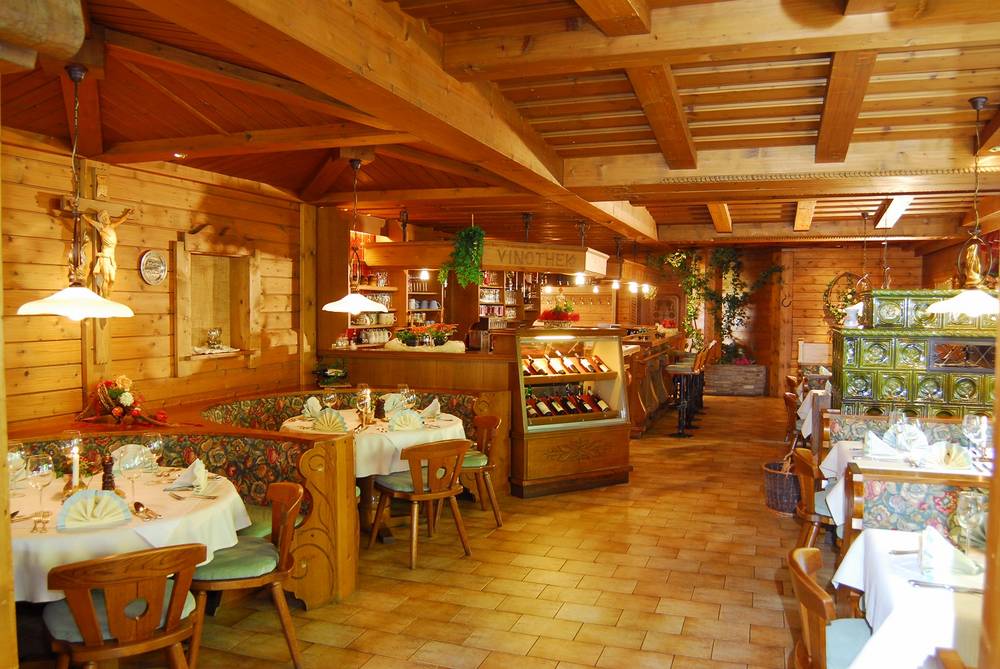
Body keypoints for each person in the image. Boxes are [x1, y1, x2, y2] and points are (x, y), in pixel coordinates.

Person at [82, 208, 133, 295]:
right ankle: (104, 296)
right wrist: (83, 216)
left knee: (112, 279)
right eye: (104, 218)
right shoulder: (101, 228)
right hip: (104, 257)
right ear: (101, 220)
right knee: (106, 278)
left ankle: (107, 295)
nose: (106, 219)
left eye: (106, 217)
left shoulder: (112, 226)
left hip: (111, 258)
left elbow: (121, 221)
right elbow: (91, 222)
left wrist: (127, 215)